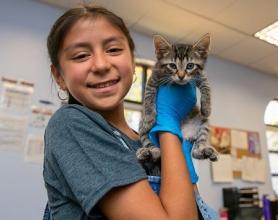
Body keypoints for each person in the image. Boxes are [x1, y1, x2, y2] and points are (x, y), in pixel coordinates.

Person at [43, 4, 218, 220]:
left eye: (114, 50)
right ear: (59, 76)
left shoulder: (143, 142)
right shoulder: (70, 123)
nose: (101, 64)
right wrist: (168, 122)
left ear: (133, 62)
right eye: (80, 55)